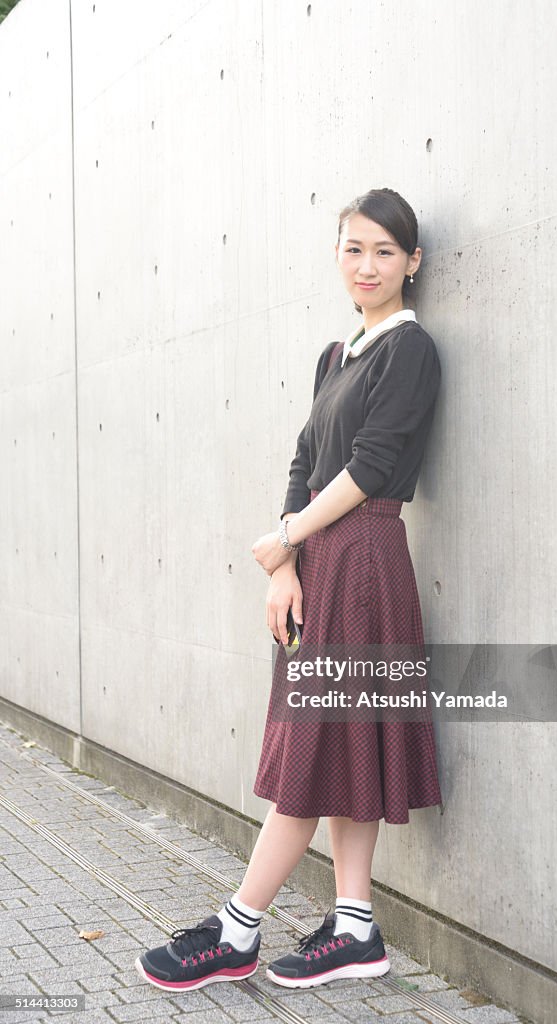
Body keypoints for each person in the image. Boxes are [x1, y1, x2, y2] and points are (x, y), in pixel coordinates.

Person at [135, 187, 443, 992]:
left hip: (368, 561)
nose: (367, 265)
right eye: (353, 248)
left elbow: (370, 467)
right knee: (336, 744)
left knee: (314, 748)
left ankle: (237, 930)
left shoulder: (411, 351)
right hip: (323, 559)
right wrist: (284, 562)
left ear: (413, 262)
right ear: (337, 257)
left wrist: (289, 540)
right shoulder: (336, 358)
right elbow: (305, 462)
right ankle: (355, 927)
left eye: (384, 251)